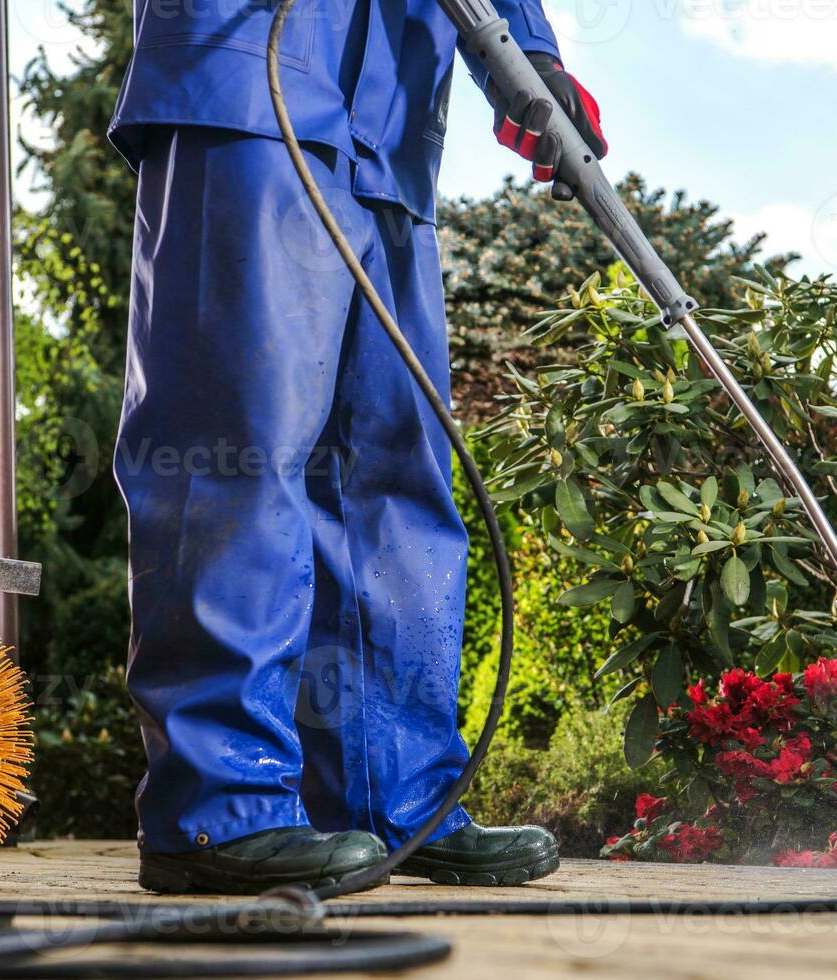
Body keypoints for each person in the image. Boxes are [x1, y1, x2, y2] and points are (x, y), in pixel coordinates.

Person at [107, 0, 607, 894]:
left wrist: (528, 60)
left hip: (392, 122)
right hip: (247, 79)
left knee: (392, 478)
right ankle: (219, 808)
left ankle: (394, 797)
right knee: (236, 447)